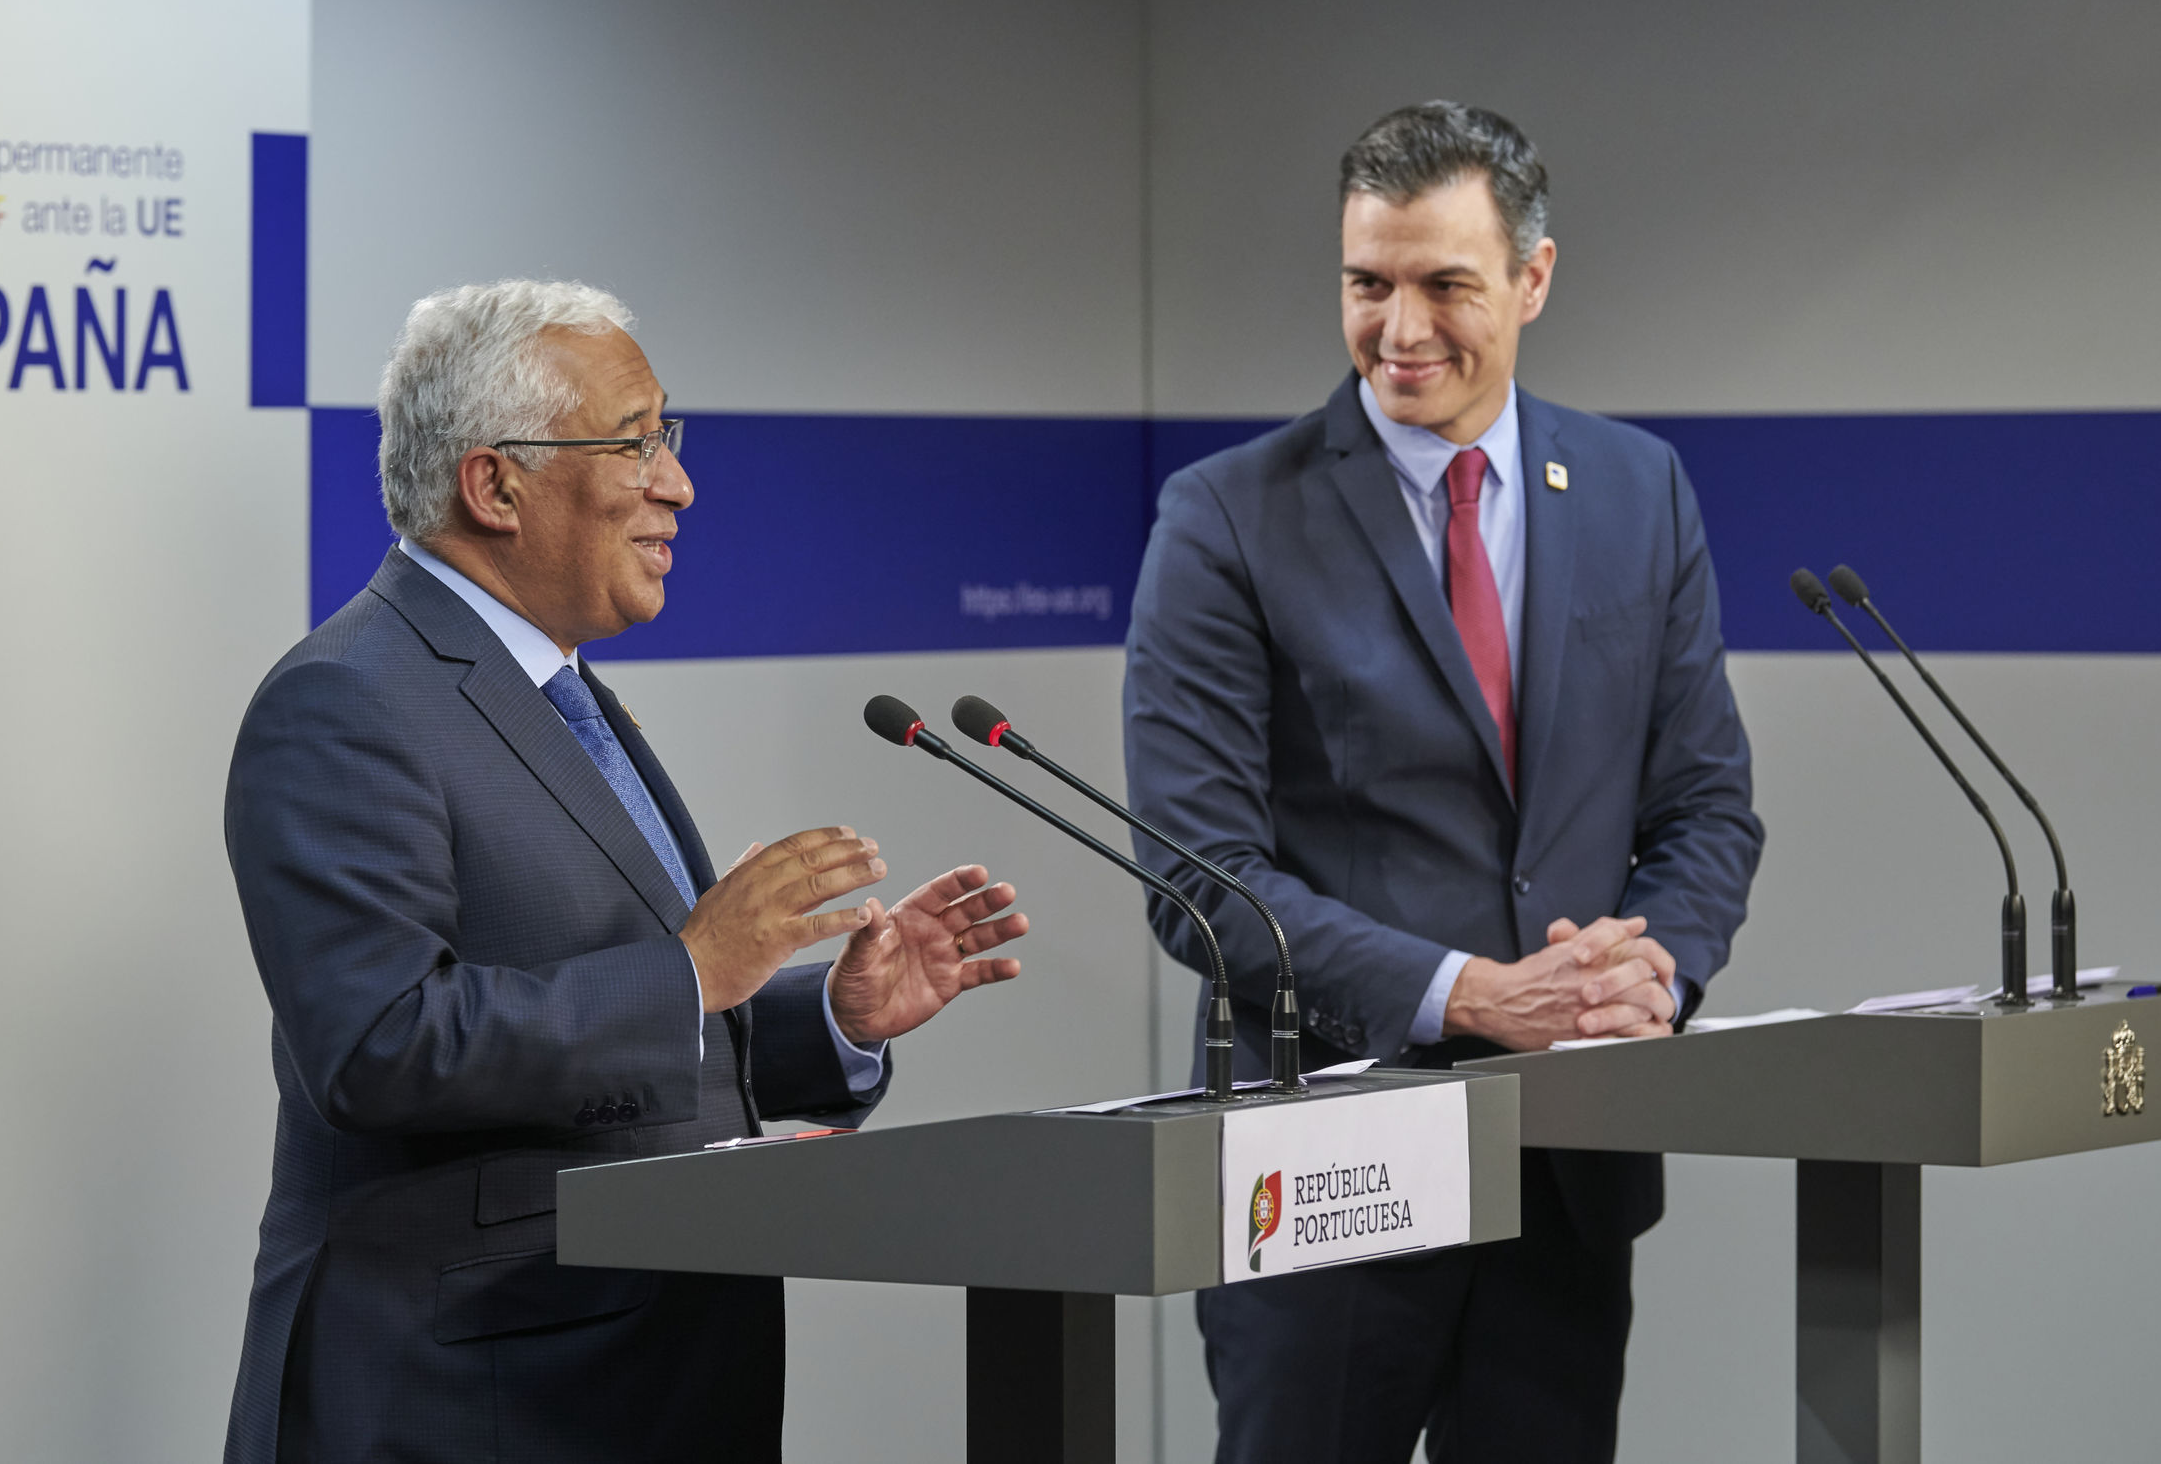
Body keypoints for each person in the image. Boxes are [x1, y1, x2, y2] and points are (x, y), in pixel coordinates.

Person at [221, 279, 1030, 1464]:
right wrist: (697, 965)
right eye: (636, 441)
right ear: (495, 485)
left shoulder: (557, 686)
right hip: (469, 1400)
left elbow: (626, 1028)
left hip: (638, 1375)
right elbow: (380, 1045)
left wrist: (829, 1018)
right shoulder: (345, 701)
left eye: (668, 436)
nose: (678, 483)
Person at [1124, 102, 1764, 1461]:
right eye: (1367, 283)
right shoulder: (1227, 514)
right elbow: (1198, 876)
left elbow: (1706, 805)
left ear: (1534, 278)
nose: (1400, 329)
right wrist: (1470, 993)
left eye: (1444, 285)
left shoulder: (1639, 488)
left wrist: (1648, 974)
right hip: (1324, 1179)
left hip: (1566, 1167)